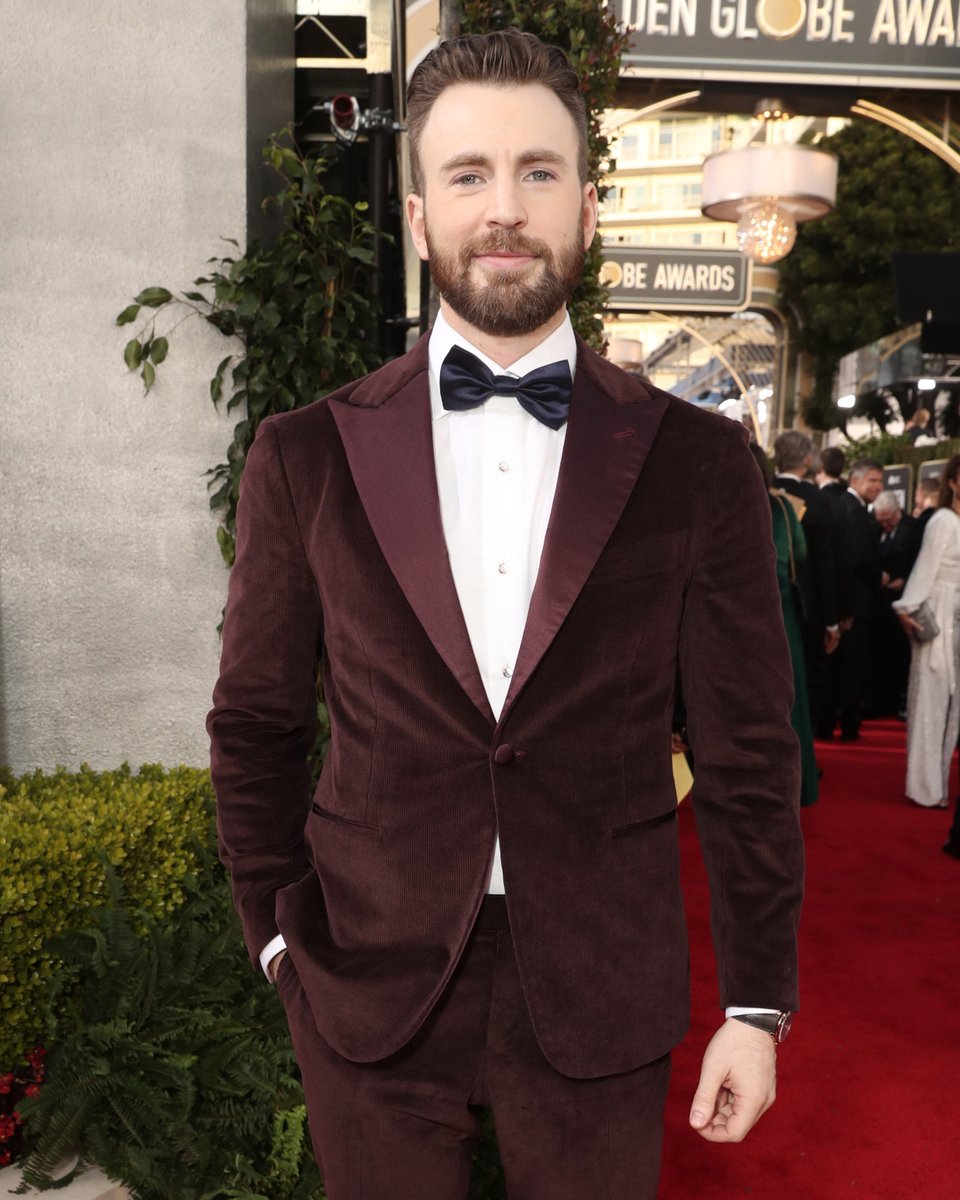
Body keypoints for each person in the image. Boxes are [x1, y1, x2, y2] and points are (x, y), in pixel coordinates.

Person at [208, 29, 804, 1200]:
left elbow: (747, 751)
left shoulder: (697, 464)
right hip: (365, 984)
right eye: (468, 174)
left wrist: (757, 1005)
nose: (505, 209)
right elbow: (255, 725)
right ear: (419, 214)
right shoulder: (304, 455)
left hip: (600, 981)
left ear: (586, 206)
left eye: (538, 171)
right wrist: (277, 941)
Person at [751, 444, 818, 806]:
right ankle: (797, 784)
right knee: (792, 703)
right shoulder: (781, 505)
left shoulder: (729, 501)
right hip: (784, 614)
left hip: (748, 615)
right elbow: (800, 552)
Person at [894, 455, 960, 811]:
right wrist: (907, 609)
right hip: (935, 620)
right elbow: (924, 569)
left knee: (951, 710)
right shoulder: (943, 521)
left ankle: (940, 783)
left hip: (957, 624)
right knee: (929, 705)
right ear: (952, 482)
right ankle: (925, 787)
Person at [773, 431, 841, 739]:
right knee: (804, 678)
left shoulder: (761, 491)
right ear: (808, 459)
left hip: (760, 601)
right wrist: (831, 620)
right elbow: (826, 564)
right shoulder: (819, 501)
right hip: (806, 608)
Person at [832, 458, 884, 740]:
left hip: (849, 602)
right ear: (855, 480)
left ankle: (834, 722)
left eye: (880, 481)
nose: (878, 486)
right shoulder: (854, 511)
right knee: (852, 668)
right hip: (856, 604)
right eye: (872, 480)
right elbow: (855, 561)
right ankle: (849, 726)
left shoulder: (844, 506)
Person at [872, 491, 920, 716]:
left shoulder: (913, 528)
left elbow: (919, 563)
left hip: (903, 600)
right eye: (881, 521)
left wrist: (904, 580)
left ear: (897, 512)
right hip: (879, 603)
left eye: (888, 520)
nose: (885, 525)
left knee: (900, 655)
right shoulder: (874, 529)